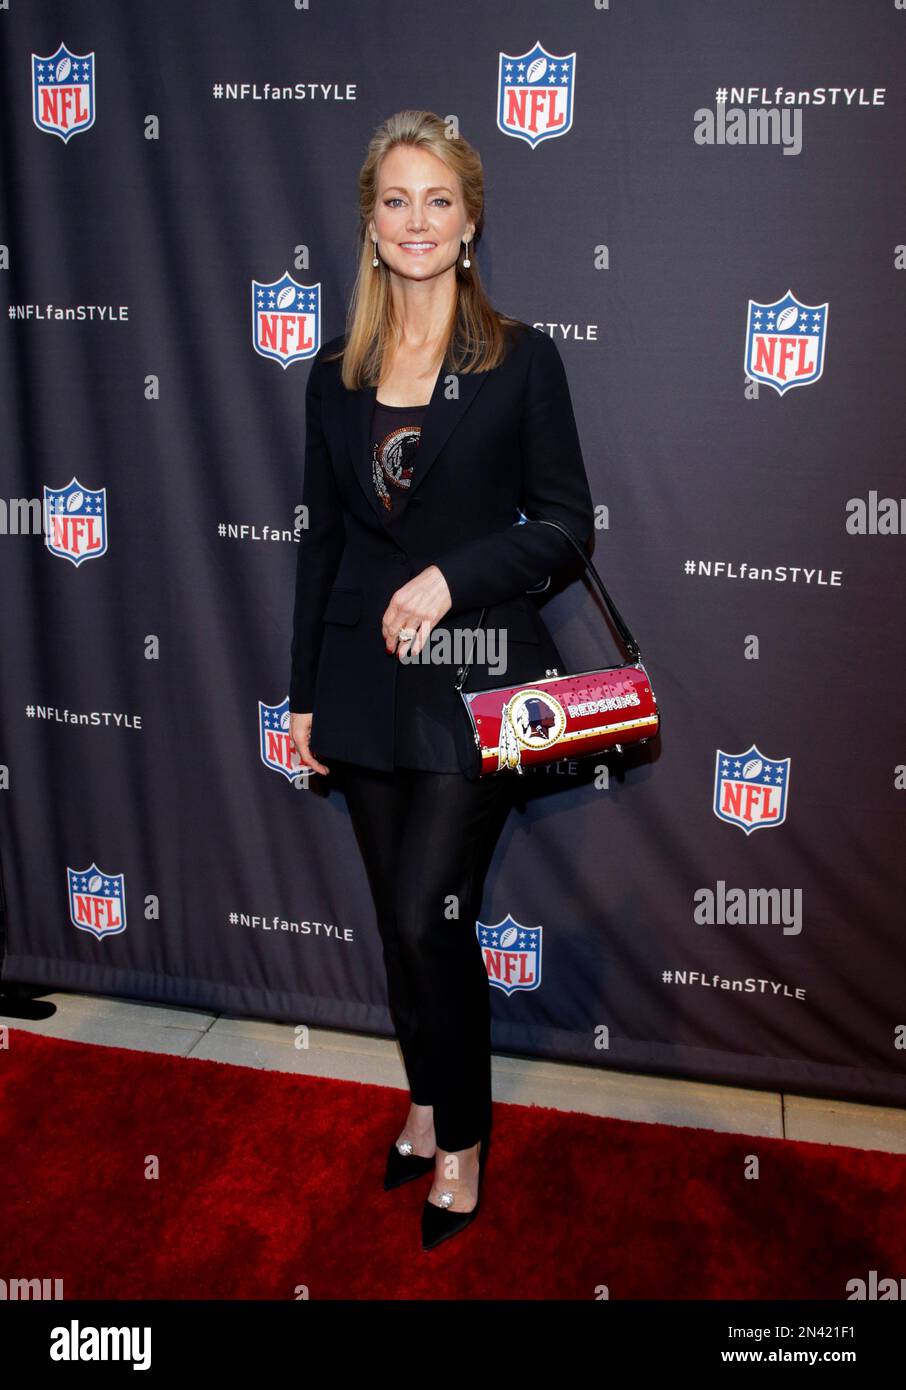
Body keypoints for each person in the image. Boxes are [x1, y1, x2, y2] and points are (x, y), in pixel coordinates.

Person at [288, 110, 595, 1251]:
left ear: (470, 224)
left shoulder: (522, 360)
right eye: (395, 201)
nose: (416, 222)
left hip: (478, 686)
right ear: (369, 225)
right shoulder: (336, 371)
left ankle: (462, 1135)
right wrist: (303, 691)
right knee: (394, 918)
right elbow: (320, 538)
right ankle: (421, 1102)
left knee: (431, 913)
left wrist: (449, 577)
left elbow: (568, 526)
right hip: (362, 687)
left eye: (438, 202)